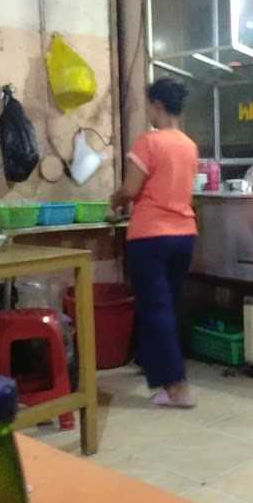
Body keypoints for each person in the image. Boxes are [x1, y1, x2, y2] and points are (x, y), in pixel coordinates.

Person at [111, 78, 198, 407]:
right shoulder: (189, 145)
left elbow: (130, 190)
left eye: (148, 105)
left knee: (155, 307)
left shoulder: (149, 142)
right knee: (167, 306)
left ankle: (176, 388)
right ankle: (155, 367)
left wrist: (114, 200)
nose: (147, 111)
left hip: (151, 237)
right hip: (184, 235)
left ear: (157, 106)